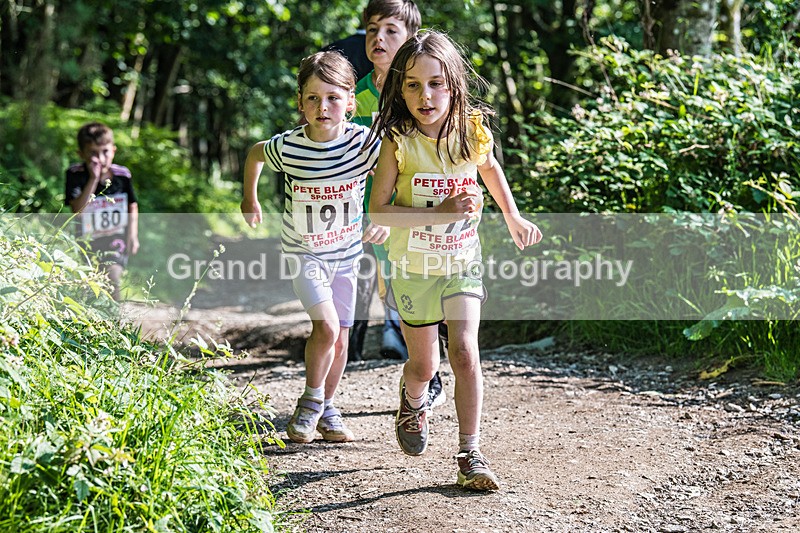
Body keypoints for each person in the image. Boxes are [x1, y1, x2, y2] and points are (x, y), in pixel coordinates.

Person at [367, 30, 542, 491]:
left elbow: (490, 169)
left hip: (461, 261)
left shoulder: (471, 129)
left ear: (455, 84)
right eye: (412, 85)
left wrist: (512, 216)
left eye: (436, 83)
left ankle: (470, 453)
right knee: (424, 365)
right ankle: (413, 398)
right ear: (399, 90)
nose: (425, 96)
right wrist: (437, 211)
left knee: (464, 351)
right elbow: (378, 209)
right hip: (412, 268)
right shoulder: (397, 141)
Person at [241, 51, 384, 444]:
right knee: (326, 326)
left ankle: (327, 408)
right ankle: (310, 401)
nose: (323, 107)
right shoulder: (288, 147)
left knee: (341, 337)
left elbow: (395, 170)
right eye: (313, 98)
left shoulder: (364, 144)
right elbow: (255, 154)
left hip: (347, 256)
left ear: (350, 102)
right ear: (300, 101)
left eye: (334, 98)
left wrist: (384, 218)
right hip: (304, 254)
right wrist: (249, 199)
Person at [65, 122, 139, 301]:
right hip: (88, 241)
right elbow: (77, 210)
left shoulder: (122, 175)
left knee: (113, 275)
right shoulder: (75, 174)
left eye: (105, 152)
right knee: (91, 284)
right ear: (81, 154)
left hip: (117, 239)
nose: (100, 158)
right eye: (93, 153)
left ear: (113, 150)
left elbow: (132, 206)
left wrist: (133, 236)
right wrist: (93, 178)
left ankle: (117, 320)